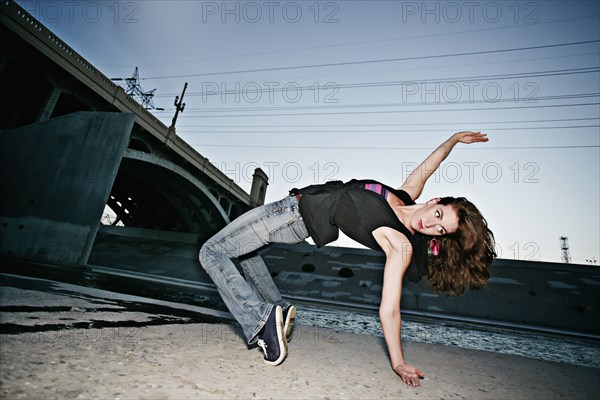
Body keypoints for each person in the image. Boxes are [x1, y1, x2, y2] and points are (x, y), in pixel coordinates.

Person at [199, 131, 496, 386]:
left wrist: (398, 362)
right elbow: (430, 165)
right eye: (438, 215)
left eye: (440, 230)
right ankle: (275, 307)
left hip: (291, 216)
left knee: (211, 252)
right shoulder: (406, 196)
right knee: (242, 250)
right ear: (435, 201)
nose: (431, 225)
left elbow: (390, 310)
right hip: (297, 210)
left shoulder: (401, 244)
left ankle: (261, 322)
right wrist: (455, 139)